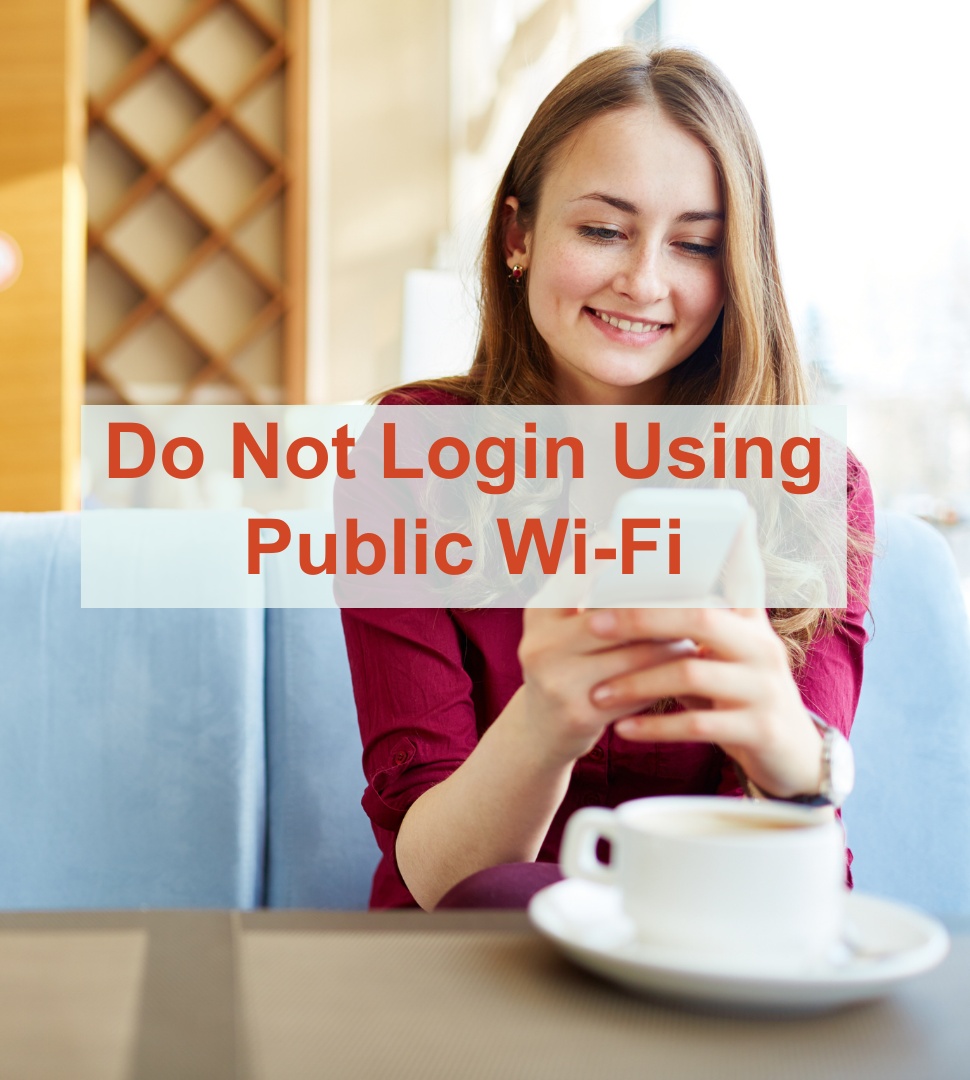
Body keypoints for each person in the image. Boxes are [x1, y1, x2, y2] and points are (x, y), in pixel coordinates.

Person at [340, 45, 874, 911]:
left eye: (696, 244)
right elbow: (434, 875)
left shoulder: (810, 485)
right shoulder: (413, 452)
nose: (645, 281)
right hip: (470, 971)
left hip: (706, 967)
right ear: (519, 236)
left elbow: (807, 885)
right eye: (601, 230)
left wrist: (797, 760)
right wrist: (548, 720)